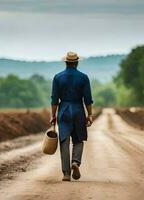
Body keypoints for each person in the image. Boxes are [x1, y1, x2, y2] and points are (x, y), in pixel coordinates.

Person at [50, 51, 93, 181]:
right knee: (78, 139)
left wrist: (53, 115)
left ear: (66, 62)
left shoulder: (58, 77)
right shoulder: (84, 78)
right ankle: (75, 162)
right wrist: (89, 114)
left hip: (63, 111)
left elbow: (54, 99)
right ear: (77, 63)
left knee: (64, 141)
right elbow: (88, 99)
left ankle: (66, 174)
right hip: (78, 110)